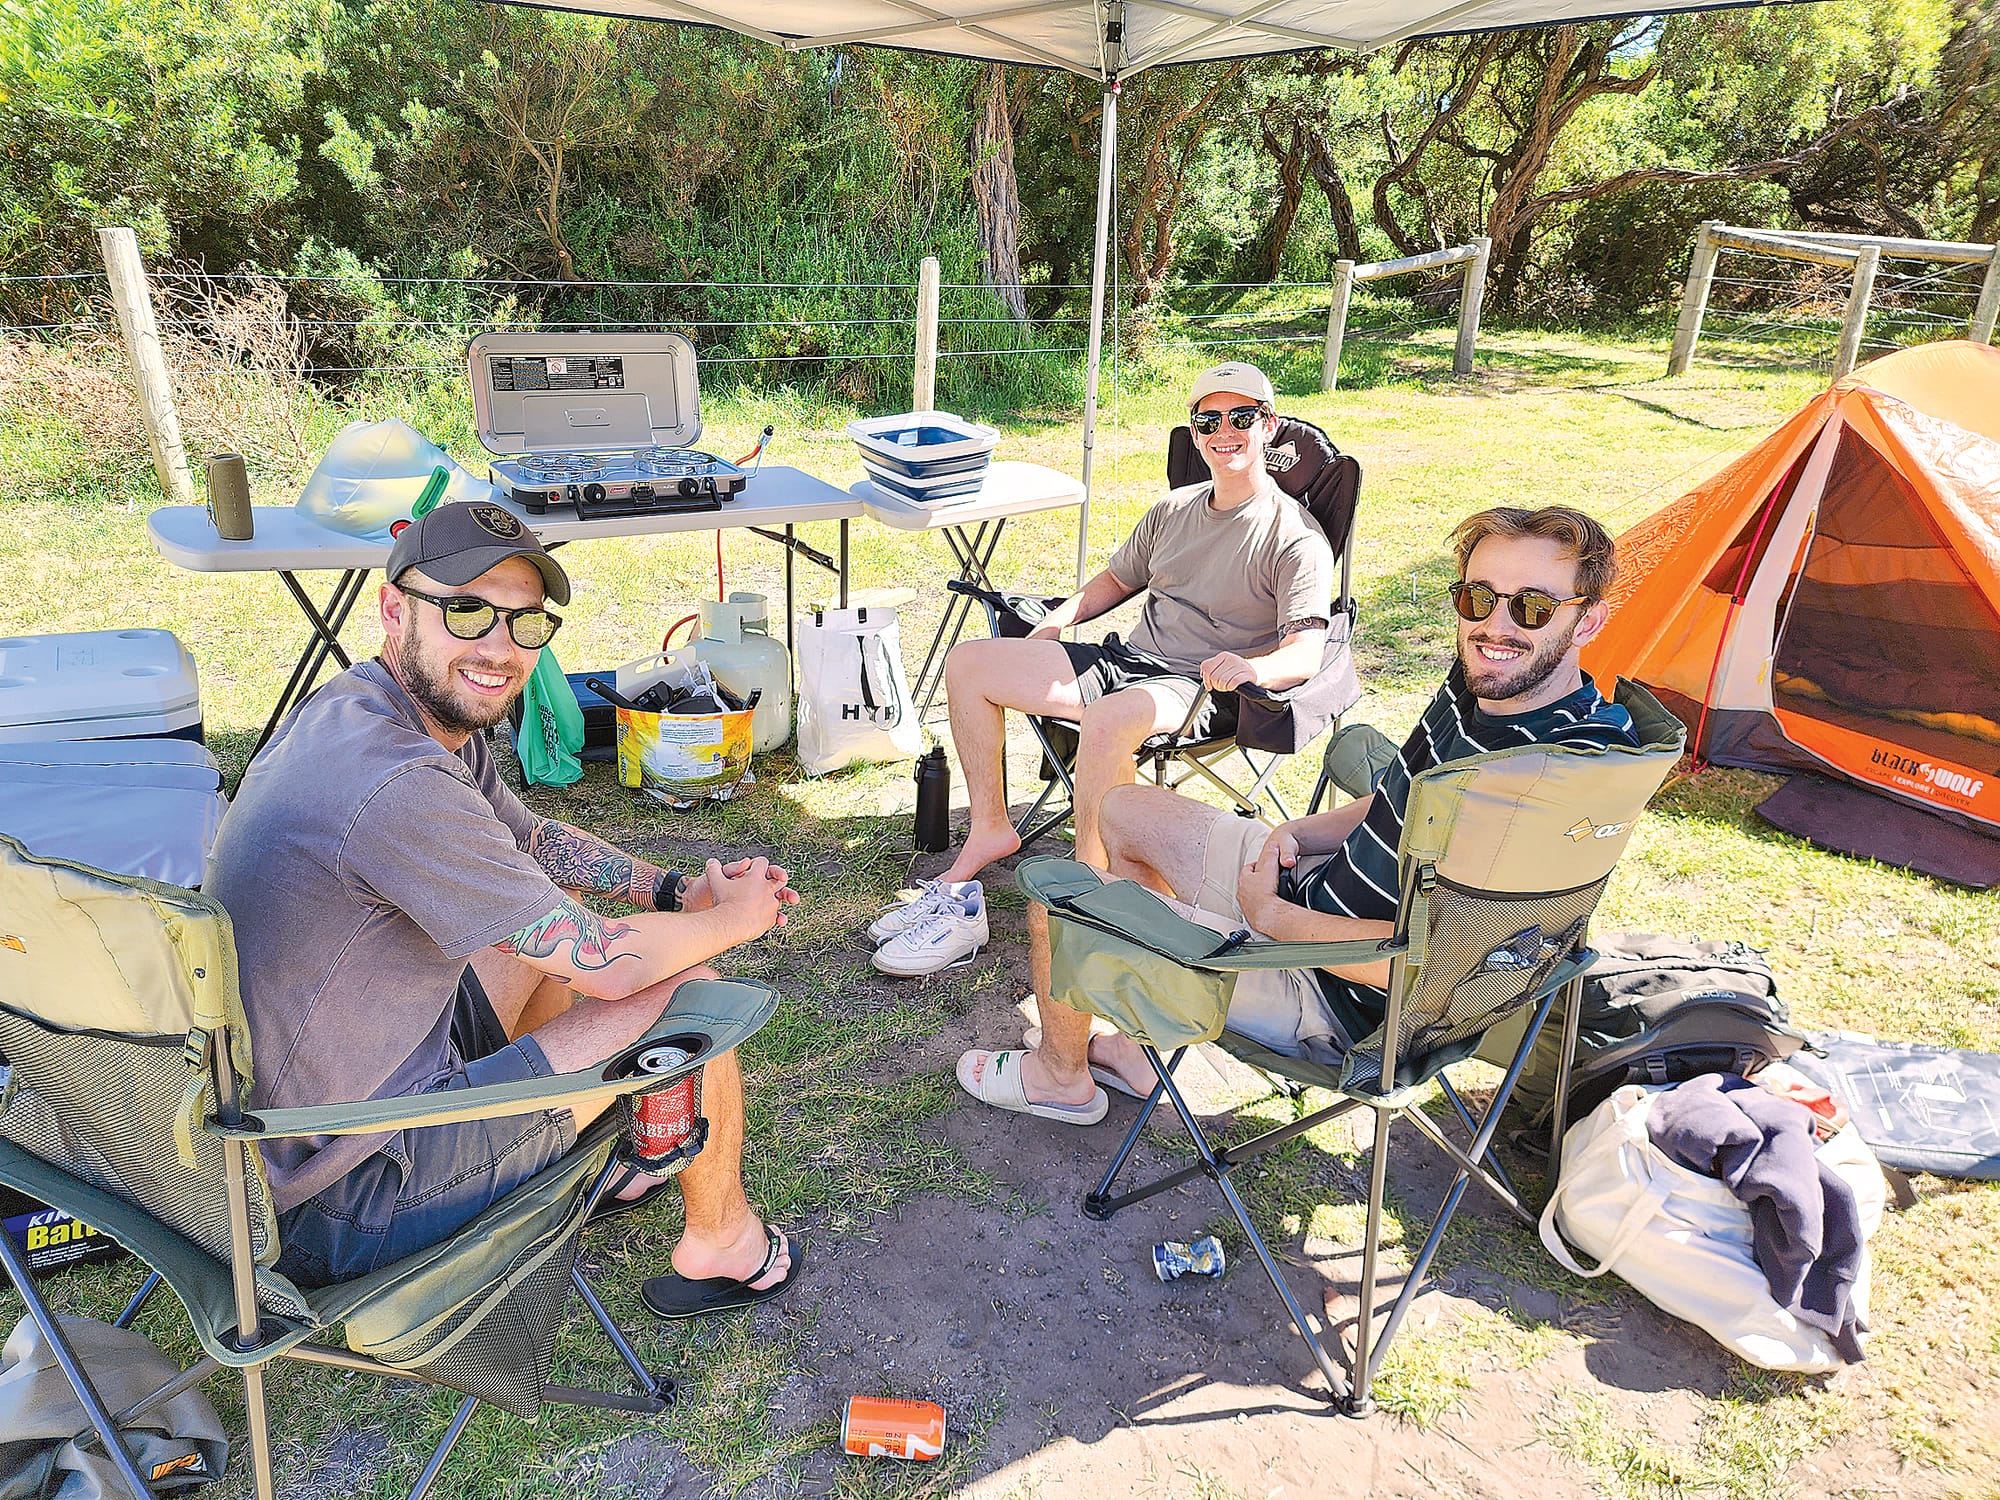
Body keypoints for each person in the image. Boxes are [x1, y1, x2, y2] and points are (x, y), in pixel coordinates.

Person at [205, 501, 801, 1318]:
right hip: (334, 1200)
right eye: (468, 610)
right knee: (686, 994)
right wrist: (737, 916)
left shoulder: (382, 709)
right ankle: (724, 1241)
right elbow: (612, 958)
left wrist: (673, 890)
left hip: (308, 1116)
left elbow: (533, 842)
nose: (500, 647)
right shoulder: (396, 783)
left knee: (538, 924)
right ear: (392, 609)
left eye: (526, 623)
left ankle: (595, 1148)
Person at [956, 504, 1641, 1123]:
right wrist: (1298, 830)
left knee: (1060, 901)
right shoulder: (1487, 689)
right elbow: (1401, 797)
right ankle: (1142, 1047)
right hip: (1316, 887)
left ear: (1591, 618)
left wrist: (1271, 918)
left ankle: (1060, 1078)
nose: (1494, 626)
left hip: (1340, 996)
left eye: (1530, 608)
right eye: (1478, 597)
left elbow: (1432, 969)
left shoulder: (1548, 780)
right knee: (1123, 811)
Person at [872, 362, 1336, 978]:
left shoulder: (1295, 537)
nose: (1224, 432)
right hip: (1130, 661)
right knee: (972, 663)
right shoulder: (1173, 510)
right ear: (1194, 433)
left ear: (1268, 425)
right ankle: (990, 828)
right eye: (1208, 421)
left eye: (1240, 417)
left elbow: (1305, 652)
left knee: (1113, 716)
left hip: (1201, 686)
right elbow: (1120, 578)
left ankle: (1090, 896)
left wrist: (1252, 667)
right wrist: (1061, 616)